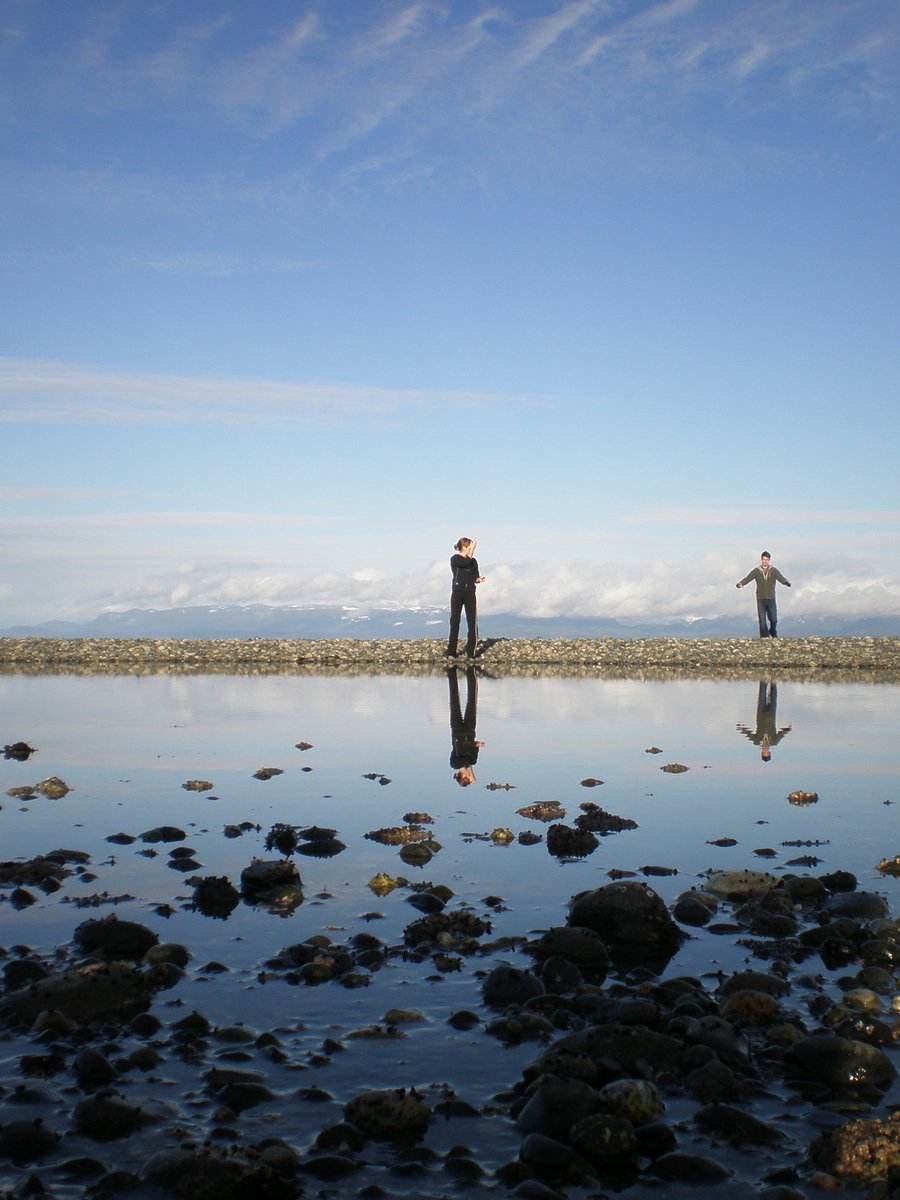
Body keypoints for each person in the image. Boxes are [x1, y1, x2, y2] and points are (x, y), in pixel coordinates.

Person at [736, 551, 791, 638]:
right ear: (761, 560)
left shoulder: (773, 570)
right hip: (760, 598)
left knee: (773, 618)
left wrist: (786, 582)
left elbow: (781, 577)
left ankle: (772, 631)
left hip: (771, 597)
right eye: (763, 559)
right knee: (762, 620)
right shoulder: (756, 571)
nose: (765, 561)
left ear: (769, 560)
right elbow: (748, 578)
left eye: (767, 560)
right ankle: (764, 638)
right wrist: (741, 584)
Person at [447, 536, 485, 659]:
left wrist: (478, 579)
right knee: (455, 621)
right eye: (469, 547)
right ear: (463, 547)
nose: (471, 549)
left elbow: (475, 575)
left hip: (470, 592)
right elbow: (465, 562)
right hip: (458, 592)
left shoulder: (473, 562)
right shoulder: (455, 559)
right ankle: (451, 651)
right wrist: (472, 549)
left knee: (472, 622)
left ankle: (471, 652)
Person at [737, 681, 792, 762]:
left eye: (764, 752)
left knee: (762, 696)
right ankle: (773, 679)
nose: (765, 749)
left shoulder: (756, 741)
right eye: (766, 752)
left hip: (761, 714)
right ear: (769, 752)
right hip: (771, 714)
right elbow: (781, 734)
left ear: (762, 752)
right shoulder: (774, 741)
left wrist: (742, 729)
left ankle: (763, 679)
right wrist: (787, 729)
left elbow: (748, 734)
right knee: (773, 695)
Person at [448, 666, 484, 786]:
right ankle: (471, 671)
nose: (470, 775)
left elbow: (460, 746)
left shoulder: (454, 764)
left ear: (463, 776)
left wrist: (472, 774)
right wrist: (477, 745)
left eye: (468, 777)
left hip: (457, 729)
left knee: (454, 700)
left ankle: (451, 671)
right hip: (469, 730)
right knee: (472, 701)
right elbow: (474, 751)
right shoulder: (473, 761)